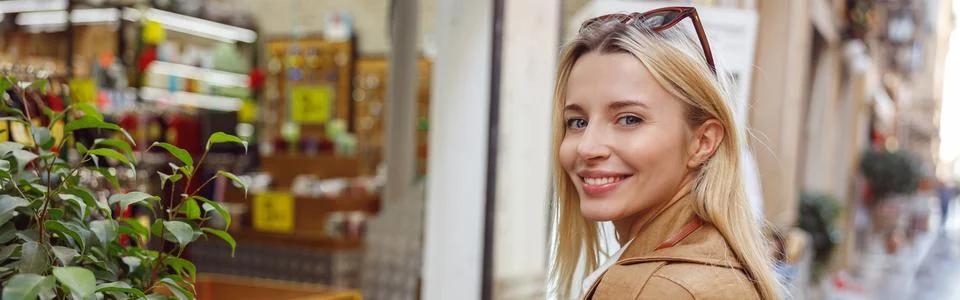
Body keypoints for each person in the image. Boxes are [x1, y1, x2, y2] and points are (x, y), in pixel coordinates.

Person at [550, 7, 782, 299]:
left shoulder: (663, 288)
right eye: (577, 122)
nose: (587, 147)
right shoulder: (707, 265)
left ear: (702, 141)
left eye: (629, 119)